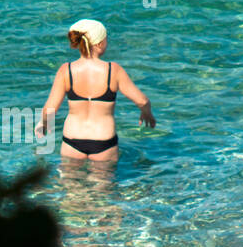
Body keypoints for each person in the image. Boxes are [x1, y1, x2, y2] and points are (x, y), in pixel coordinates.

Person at [36, 19, 155, 161]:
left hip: (72, 141)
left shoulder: (66, 70)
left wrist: (43, 123)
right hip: (104, 142)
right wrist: (147, 114)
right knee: (103, 182)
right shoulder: (113, 70)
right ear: (99, 43)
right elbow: (142, 101)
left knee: (68, 183)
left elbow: (49, 109)